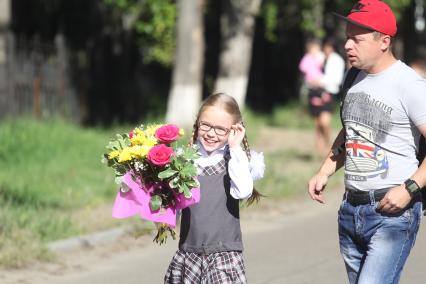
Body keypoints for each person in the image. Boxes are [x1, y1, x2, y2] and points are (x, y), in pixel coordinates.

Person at [308, 1, 426, 283]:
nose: (348, 45)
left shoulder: (410, 85)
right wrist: (325, 169)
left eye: (357, 39)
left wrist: (409, 189)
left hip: (393, 212)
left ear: (384, 41)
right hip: (351, 211)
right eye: (347, 37)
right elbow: (352, 130)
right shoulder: (353, 77)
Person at [164, 93, 265, 284]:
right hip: (189, 252)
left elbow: (243, 191)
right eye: (206, 125)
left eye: (220, 129)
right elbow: (174, 209)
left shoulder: (234, 160)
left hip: (224, 255)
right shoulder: (185, 160)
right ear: (197, 122)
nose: (211, 133)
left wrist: (235, 147)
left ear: (235, 129)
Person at [299, 39, 331, 158]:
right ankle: (320, 149)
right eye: (314, 49)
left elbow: (325, 67)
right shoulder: (307, 59)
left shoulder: (320, 57)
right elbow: (303, 69)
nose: (316, 51)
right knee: (317, 124)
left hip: (322, 88)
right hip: (313, 90)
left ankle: (328, 144)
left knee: (324, 122)